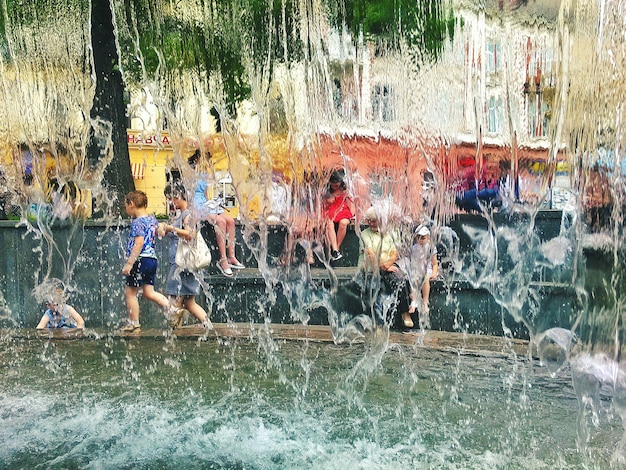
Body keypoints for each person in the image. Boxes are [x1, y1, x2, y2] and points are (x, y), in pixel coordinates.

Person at [157, 183, 213, 331]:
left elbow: (190, 235)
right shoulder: (184, 214)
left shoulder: (186, 214)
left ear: (177, 197)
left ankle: (174, 335)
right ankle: (208, 327)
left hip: (182, 266)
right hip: (186, 265)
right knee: (189, 303)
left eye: (169, 199)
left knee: (175, 303)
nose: (169, 203)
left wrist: (171, 228)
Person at [121, 190, 176, 332]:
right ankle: (172, 309)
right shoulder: (152, 220)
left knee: (130, 292)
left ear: (132, 204)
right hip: (152, 260)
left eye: (126, 206)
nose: (125, 209)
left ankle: (134, 323)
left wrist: (129, 264)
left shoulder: (137, 222)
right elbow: (161, 232)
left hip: (140, 260)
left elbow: (138, 243)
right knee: (149, 292)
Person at [188, 150, 244, 277]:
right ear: (197, 158)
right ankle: (223, 260)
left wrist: (215, 204)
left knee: (230, 220)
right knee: (220, 221)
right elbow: (188, 193)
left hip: (205, 202)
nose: (207, 162)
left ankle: (231, 256)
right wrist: (191, 212)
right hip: (197, 205)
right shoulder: (189, 171)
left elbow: (206, 192)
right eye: (205, 159)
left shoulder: (204, 173)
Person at [358, 207, 408, 327]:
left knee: (401, 281)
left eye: (374, 220)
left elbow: (395, 253)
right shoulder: (365, 234)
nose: (371, 223)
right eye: (369, 221)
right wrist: (383, 266)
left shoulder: (393, 232)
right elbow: (370, 254)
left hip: (389, 266)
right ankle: (378, 324)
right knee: (374, 287)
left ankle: (405, 313)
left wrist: (387, 265)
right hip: (371, 268)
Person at [405, 224, 439, 329]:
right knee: (413, 279)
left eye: (423, 237)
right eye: (419, 237)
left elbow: (435, 263)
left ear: (428, 238)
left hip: (427, 269)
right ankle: (414, 300)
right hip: (417, 269)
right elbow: (412, 261)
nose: (421, 240)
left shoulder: (431, 248)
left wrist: (434, 272)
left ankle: (425, 301)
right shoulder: (414, 248)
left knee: (425, 279)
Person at [324, 170, 354, 261]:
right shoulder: (326, 191)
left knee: (343, 223)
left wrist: (353, 215)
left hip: (342, 210)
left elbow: (351, 202)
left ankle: (336, 249)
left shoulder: (345, 190)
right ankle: (335, 250)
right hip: (331, 211)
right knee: (329, 223)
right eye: (332, 185)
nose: (334, 187)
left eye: (336, 185)